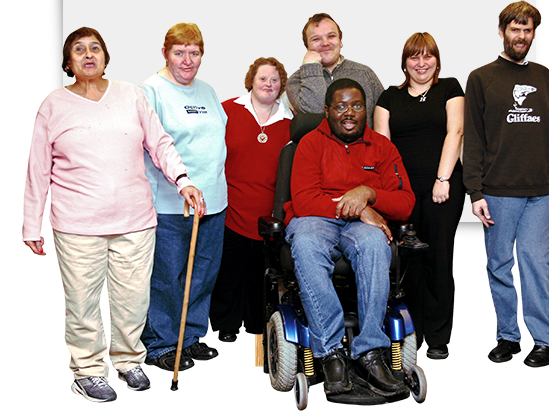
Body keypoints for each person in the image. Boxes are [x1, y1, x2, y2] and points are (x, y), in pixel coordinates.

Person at [22, 27, 203, 403]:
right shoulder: (54, 104)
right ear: (68, 62)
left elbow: (160, 143)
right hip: (78, 224)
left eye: (95, 48)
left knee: (132, 298)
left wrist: (183, 180)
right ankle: (87, 369)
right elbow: (37, 169)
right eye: (79, 49)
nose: (88, 55)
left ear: (106, 56)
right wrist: (31, 223)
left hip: (135, 219)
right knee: (84, 301)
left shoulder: (131, 95)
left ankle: (127, 360)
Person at [283, 79, 415, 397]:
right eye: (341, 106)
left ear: (365, 109)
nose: (349, 113)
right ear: (327, 111)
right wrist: (357, 208)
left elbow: (405, 203)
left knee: (374, 243)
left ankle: (370, 351)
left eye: (356, 105)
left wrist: (368, 194)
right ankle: (330, 353)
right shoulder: (310, 145)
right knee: (306, 244)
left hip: (359, 226)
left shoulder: (383, 148)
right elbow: (303, 201)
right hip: (315, 219)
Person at [463, 1, 549, 368]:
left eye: (528, 30)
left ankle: (544, 339)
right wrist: (475, 191)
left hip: (540, 192)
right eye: (515, 29)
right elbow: (474, 138)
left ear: (533, 33)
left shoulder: (545, 77)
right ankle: (508, 336)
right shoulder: (481, 78)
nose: (521, 36)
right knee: (498, 264)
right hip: (497, 190)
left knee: (534, 262)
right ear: (502, 31)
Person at [140, 23, 227, 371]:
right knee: (168, 276)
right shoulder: (152, 90)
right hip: (171, 204)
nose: (187, 60)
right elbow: (150, 146)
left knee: (203, 274)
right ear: (165, 53)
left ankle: (191, 337)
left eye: (194, 53)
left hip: (214, 201)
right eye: (179, 52)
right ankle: (161, 342)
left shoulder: (207, 91)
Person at [374, 32, 465, 360]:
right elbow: (382, 148)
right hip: (402, 193)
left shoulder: (450, 88)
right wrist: (391, 193)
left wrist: (443, 179)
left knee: (438, 259)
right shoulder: (388, 98)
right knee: (407, 263)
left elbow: (455, 131)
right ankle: (414, 331)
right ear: (405, 62)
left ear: (437, 61)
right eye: (415, 57)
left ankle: (439, 337)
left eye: (428, 56)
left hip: (443, 188)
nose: (421, 63)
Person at [210, 57, 293, 345]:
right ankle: (225, 325)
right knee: (228, 272)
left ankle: (257, 325)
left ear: (281, 85)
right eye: (262, 78)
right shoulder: (228, 111)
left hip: (267, 214)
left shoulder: (290, 122)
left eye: (274, 79)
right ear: (251, 81)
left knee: (261, 274)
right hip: (229, 209)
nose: (268, 84)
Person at [286, 13, 384, 127]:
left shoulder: (365, 73)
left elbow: (383, 119)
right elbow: (317, 112)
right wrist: (311, 68)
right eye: (316, 39)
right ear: (307, 47)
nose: (325, 43)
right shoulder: (296, 81)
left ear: (340, 41)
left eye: (331, 36)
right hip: (318, 145)